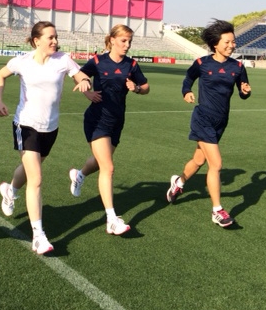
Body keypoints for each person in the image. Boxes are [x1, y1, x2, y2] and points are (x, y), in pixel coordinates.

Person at [0, 21, 91, 254]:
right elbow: (1, 75)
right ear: (37, 40)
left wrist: (85, 81)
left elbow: (81, 76)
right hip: (25, 125)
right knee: (36, 178)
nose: (55, 41)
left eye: (56, 37)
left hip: (51, 127)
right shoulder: (22, 62)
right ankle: (38, 235)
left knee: (30, 171)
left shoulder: (63, 59)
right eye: (50, 37)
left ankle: (10, 190)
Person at [166, 19, 251, 228]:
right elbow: (188, 79)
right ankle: (217, 210)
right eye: (227, 42)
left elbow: (243, 92)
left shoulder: (238, 67)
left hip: (221, 121)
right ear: (215, 44)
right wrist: (186, 91)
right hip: (202, 118)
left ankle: (179, 182)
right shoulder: (202, 63)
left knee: (198, 161)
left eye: (233, 42)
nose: (232, 45)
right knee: (216, 164)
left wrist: (246, 92)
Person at [68, 25, 150, 235]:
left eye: (129, 41)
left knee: (99, 162)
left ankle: (79, 175)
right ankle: (112, 219)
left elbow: (146, 87)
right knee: (109, 167)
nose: (127, 45)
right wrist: (87, 93)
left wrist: (137, 89)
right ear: (112, 40)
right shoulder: (97, 61)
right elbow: (79, 76)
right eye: (123, 40)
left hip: (117, 121)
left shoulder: (131, 64)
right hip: (96, 120)